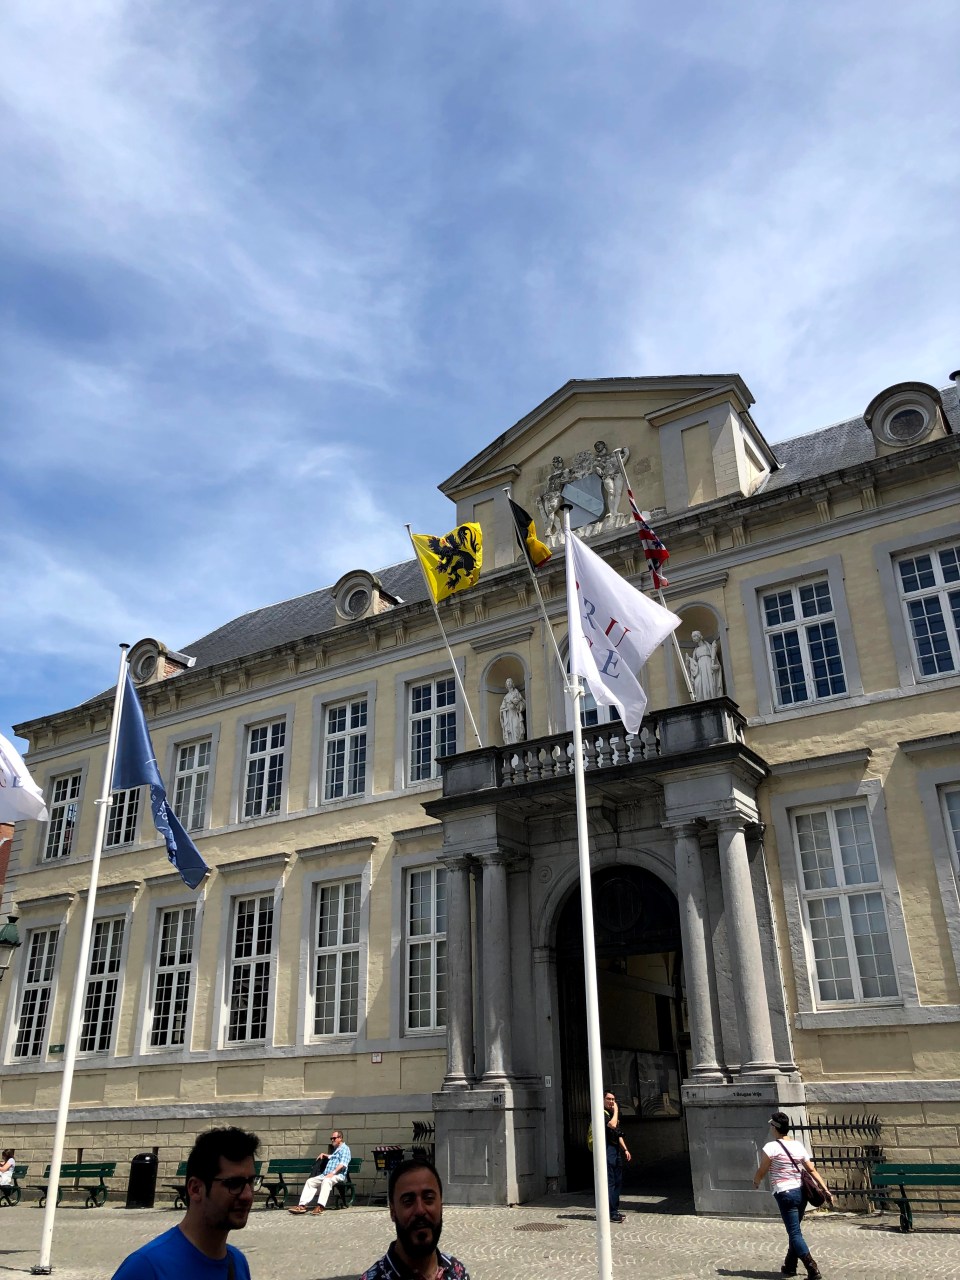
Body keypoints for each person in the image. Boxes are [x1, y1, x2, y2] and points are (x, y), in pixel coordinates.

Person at [112, 1126, 259, 1280]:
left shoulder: (238, 1263)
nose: (247, 1195)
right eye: (234, 1184)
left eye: (251, 1182)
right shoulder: (146, 1268)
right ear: (195, 1189)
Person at [360, 1157, 470, 1279]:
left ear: (441, 1206)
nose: (420, 1210)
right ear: (393, 1211)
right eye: (408, 1201)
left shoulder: (458, 1272)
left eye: (428, 1199)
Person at [753, 1111, 832, 1279]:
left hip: (784, 1193)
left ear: (775, 1128)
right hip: (800, 1193)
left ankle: (812, 1267)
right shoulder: (798, 1145)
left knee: (795, 1233)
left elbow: (763, 1169)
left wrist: (756, 1180)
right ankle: (790, 1265)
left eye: (771, 1125)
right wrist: (824, 1188)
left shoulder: (771, 1147)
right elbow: (811, 1169)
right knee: (794, 1229)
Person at [288, 1127, 351, 1215]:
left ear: (340, 1138)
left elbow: (342, 1164)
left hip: (337, 1175)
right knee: (310, 1181)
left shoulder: (345, 1149)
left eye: (334, 1138)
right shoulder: (337, 1149)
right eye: (331, 1138)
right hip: (326, 1174)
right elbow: (333, 1157)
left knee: (326, 1181)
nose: (332, 1140)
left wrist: (332, 1173)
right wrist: (325, 1155)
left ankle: (320, 1206)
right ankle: (302, 1205)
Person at [603, 1090, 631, 1223]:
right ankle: (611, 1213)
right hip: (607, 1150)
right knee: (611, 1182)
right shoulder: (602, 1114)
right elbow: (612, 1125)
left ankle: (615, 1210)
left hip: (615, 1150)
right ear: (603, 1100)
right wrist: (616, 1111)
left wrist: (625, 1149)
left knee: (618, 1182)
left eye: (613, 1099)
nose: (611, 1102)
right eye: (609, 1099)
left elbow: (617, 1133)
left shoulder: (611, 1114)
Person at [687, 631, 723, 701]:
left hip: (708, 664)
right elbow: (694, 662)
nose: (694, 638)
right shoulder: (696, 650)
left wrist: (713, 664)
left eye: (695, 636)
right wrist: (688, 661)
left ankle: (711, 698)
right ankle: (702, 699)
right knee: (698, 684)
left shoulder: (708, 646)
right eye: (693, 637)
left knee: (710, 683)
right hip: (700, 668)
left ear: (699, 636)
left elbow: (714, 657)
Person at [499, 679, 526, 744]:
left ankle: (518, 743)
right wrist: (505, 708)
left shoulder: (516, 692)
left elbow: (523, 703)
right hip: (508, 717)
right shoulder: (506, 697)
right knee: (510, 732)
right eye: (507, 682)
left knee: (516, 728)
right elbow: (502, 708)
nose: (508, 683)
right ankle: (510, 744)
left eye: (510, 681)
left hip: (515, 714)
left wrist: (516, 703)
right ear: (506, 685)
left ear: (512, 683)